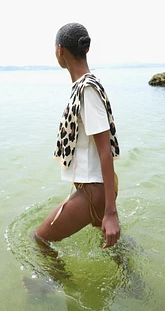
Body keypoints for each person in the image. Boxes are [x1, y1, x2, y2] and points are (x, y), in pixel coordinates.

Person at [35, 22, 121, 249]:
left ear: (60, 50)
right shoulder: (84, 86)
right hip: (95, 188)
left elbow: (105, 150)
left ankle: (58, 285)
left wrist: (110, 212)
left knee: (40, 240)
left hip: (95, 190)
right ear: (87, 50)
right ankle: (131, 282)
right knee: (112, 246)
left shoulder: (87, 90)